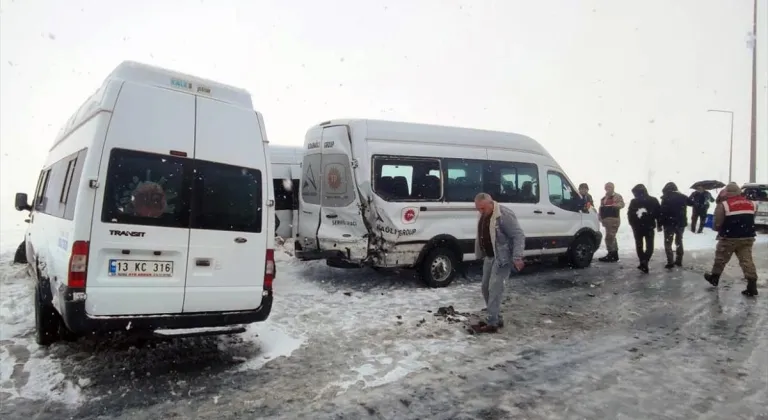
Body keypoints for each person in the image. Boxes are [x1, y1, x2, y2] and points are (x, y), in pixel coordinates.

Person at [471, 193, 526, 334]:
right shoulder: (484, 214)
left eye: (482, 208)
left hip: (502, 258)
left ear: (490, 203)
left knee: (494, 289)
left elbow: (518, 235)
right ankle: (495, 317)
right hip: (489, 257)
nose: (480, 212)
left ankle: (492, 323)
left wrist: (517, 257)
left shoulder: (504, 215)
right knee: (485, 288)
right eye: (478, 209)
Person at [704, 182, 758, 297]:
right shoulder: (752, 203)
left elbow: (717, 224)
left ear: (727, 192)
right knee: (747, 260)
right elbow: (751, 218)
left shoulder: (724, 204)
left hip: (729, 237)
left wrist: (718, 228)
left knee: (721, 258)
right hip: (747, 237)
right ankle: (752, 285)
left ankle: (714, 278)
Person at [627, 184, 661, 273]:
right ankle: (645, 261)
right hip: (649, 226)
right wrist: (659, 224)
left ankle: (642, 261)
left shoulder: (634, 201)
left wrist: (632, 224)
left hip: (637, 227)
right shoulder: (653, 200)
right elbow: (659, 213)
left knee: (639, 245)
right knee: (650, 246)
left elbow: (630, 214)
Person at [659, 182, 688, 269]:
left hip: (668, 224)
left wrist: (660, 224)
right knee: (679, 241)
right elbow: (692, 203)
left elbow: (662, 212)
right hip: (680, 223)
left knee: (668, 242)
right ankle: (679, 260)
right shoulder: (682, 197)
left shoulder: (665, 198)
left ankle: (670, 262)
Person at [598, 182, 625, 262]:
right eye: (607, 187)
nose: (608, 189)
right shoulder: (603, 198)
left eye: (610, 187)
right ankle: (614, 254)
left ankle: (612, 254)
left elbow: (622, 204)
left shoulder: (617, 196)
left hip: (614, 219)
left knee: (610, 237)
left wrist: (616, 205)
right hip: (606, 220)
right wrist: (600, 218)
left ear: (613, 188)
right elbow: (601, 209)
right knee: (611, 237)